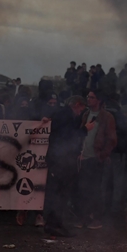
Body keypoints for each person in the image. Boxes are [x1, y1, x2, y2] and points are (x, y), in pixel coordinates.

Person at [41, 95, 87, 237]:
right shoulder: (64, 115)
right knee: (58, 193)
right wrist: (85, 130)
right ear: (77, 105)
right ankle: (51, 223)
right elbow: (67, 136)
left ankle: (57, 222)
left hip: (64, 160)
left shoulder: (64, 114)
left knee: (62, 193)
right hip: (60, 160)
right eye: (81, 109)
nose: (81, 113)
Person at [77, 90, 117, 229]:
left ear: (98, 100)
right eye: (88, 96)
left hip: (96, 158)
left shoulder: (107, 117)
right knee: (83, 189)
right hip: (84, 156)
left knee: (96, 189)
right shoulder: (86, 114)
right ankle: (84, 217)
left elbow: (111, 139)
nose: (89, 99)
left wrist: (102, 155)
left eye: (92, 97)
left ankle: (97, 219)